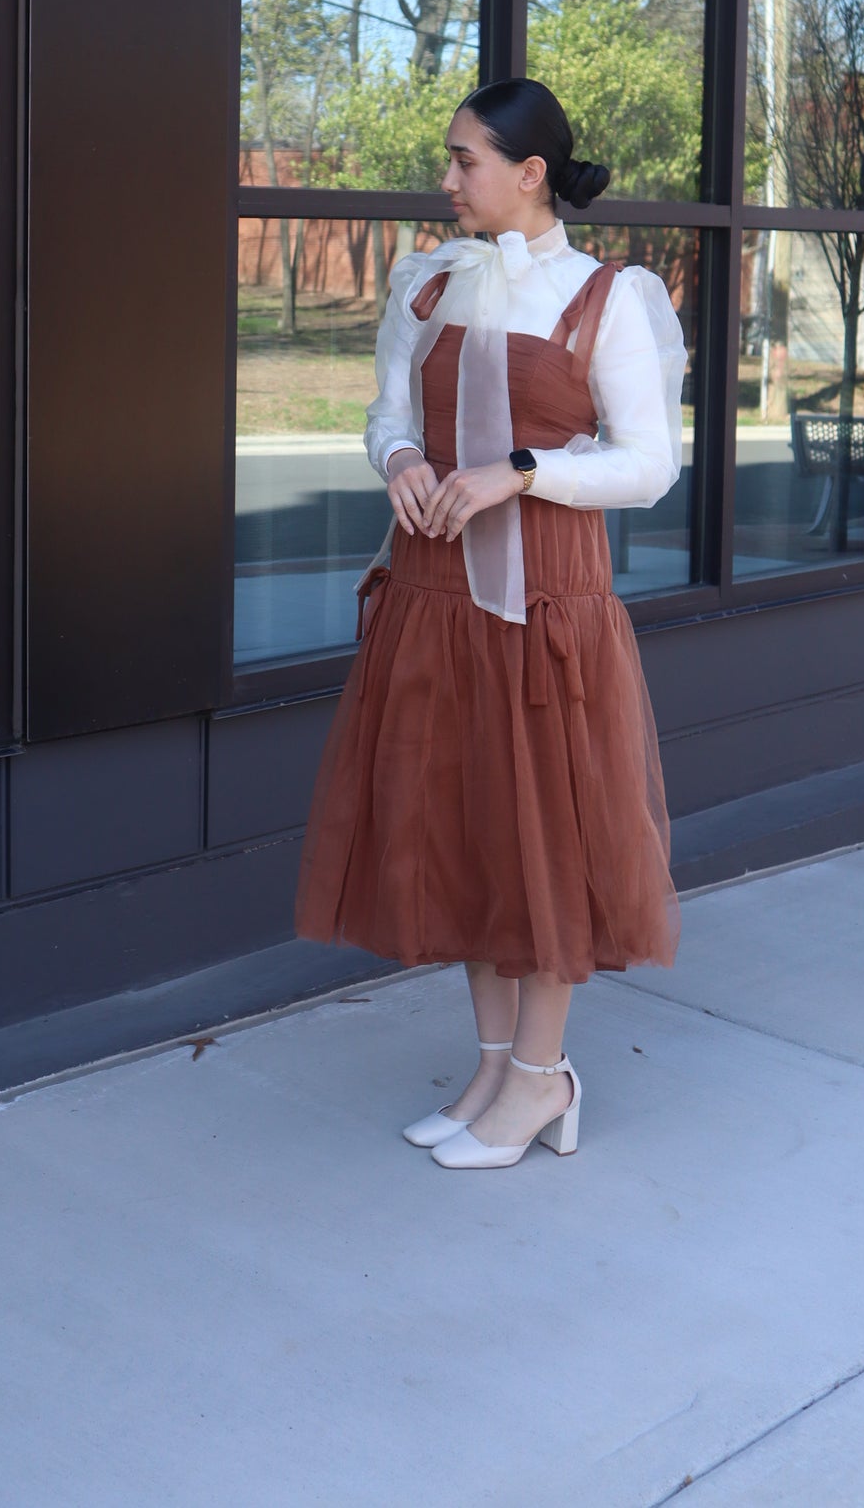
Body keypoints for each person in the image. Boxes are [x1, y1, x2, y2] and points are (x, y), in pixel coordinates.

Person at [295, 79, 686, 1171]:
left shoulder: (608, 295)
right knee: (460, 830)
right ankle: (489, 1064)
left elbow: (649, 466)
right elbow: (382, 412)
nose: (445, 178)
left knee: (542, 841)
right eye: (447, 157)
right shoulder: (423, 280)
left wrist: (516, 472)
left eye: (464, 159)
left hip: (542, 606)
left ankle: (541, 1080)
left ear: (529, 172)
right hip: (430, 594)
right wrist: (405, 460)